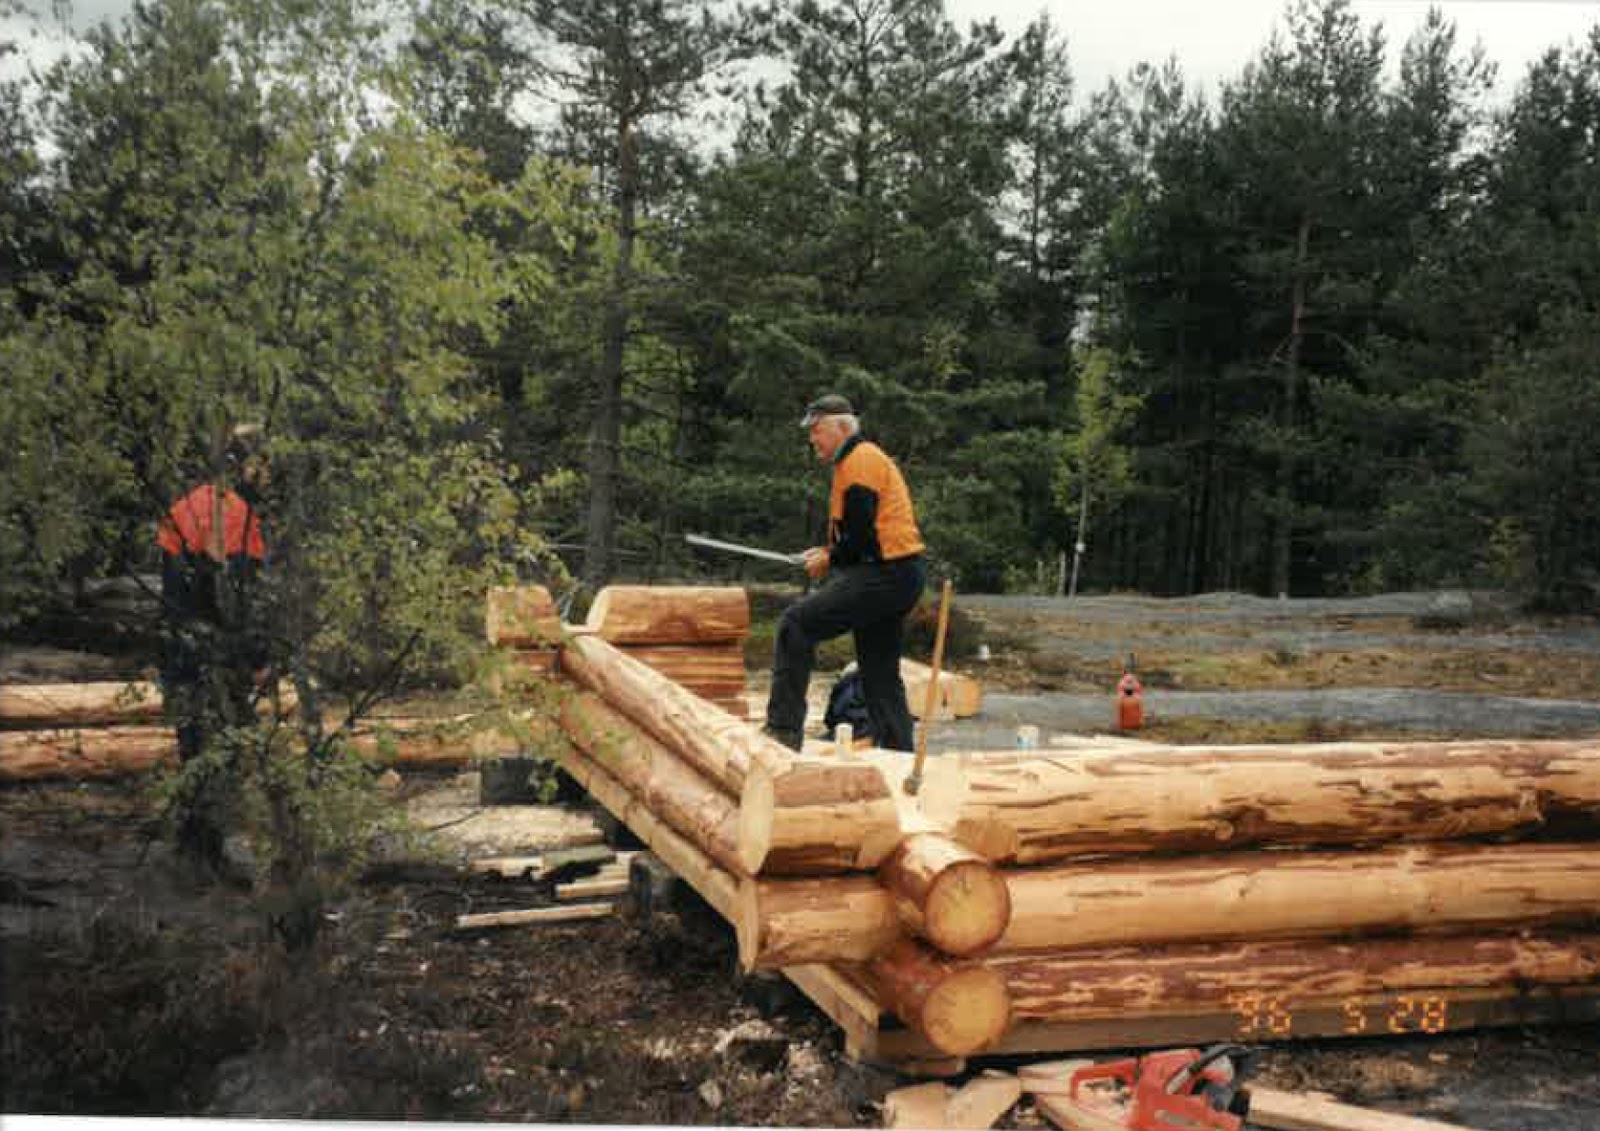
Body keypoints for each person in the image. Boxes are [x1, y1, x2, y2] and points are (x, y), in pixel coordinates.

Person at [764, 395, 926, 752]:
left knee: (796, 624)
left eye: (816, 430)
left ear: (841, 427)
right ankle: (899, 752)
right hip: (899, 575)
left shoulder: (860, 461)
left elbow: (861, 536)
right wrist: (826, 552)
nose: (812, 439)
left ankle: (782, 730)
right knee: (878, 672)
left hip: (887, 574)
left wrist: (829, 558)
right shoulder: (854, 462)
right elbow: (853, 536)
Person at [156, 424, 269, 867]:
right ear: (246, 464)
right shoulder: (238, 518)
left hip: (178, 650)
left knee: (192, 748)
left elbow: (170, 594)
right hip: (217, 655)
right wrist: (257, 656)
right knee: (223, 750)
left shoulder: (181, 508)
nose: (268, 475)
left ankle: (192, 847)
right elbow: (241, 599)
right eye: (264, 464)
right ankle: (209, 852)